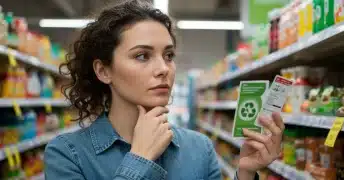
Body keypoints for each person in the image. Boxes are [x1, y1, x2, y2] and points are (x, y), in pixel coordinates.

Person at [44, 0, 284, 179]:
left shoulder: (199, 148)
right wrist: (138, 159)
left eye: (168, 55)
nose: (163, 68)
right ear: (103, 71)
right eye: (142, 56)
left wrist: (245, 172)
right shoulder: (68, 154)